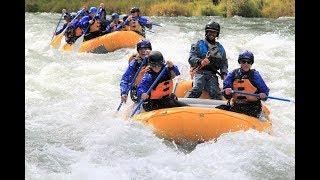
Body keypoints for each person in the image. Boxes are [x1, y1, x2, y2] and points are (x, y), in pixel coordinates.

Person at [216, 50, 270, 118]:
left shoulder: (255, 75)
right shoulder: (232, 74)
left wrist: (263, 96)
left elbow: (265, 93)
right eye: (244, 61)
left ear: (251, 63)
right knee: (220, 108)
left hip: (253, 107)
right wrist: (227, 92)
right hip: (237, 105)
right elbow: (226, 94)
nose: (246, 64)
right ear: (240, 62)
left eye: (249, 62)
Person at [185, 20, 228, 100]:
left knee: (215, 92)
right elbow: (191, 58)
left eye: (214, 32)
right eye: (210, 32)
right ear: (206, 32)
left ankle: (219, 109)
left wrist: (224, 72)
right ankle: (185, 103)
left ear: (217, 34)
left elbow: (224, 63)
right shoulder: (198, 44)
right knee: (197, 88)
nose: (212, 34)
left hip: (212, 75)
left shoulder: (221, 49)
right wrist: (200, 61)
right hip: (199, 72)